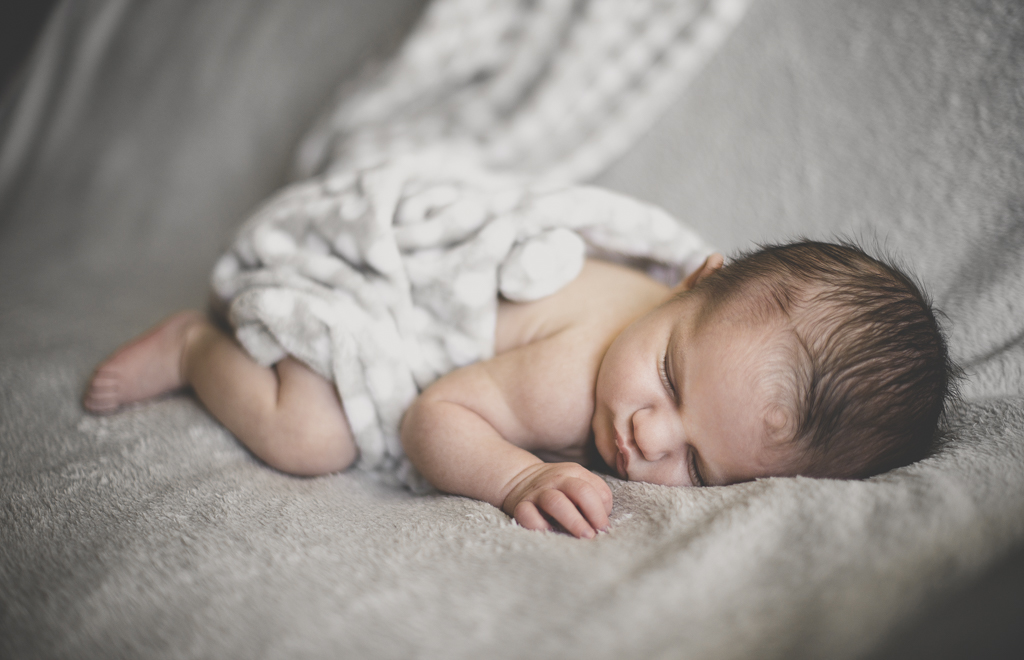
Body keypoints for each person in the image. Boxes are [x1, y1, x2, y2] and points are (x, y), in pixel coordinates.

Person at [83, 240, 954, 539]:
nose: (649, 437)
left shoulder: (704, 332)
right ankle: (194, 347)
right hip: (364, 298)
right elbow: (435, 414)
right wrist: (517, 477)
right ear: (694, 280)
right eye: (669, 378)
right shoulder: (570, 379)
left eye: (701, 466)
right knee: (312, 436)